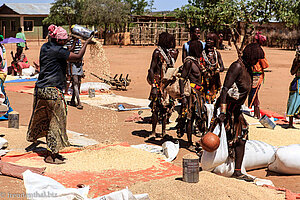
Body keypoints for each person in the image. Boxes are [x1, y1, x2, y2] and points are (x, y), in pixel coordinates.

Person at [26, 24, 93, 164]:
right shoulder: (58, 51)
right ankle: (51, 155)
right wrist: (86, 41)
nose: (66, 41)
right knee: (55, 122)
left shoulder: (46, 47)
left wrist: (73, 41)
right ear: (59, 41)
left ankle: (51, 151)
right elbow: (77, 57)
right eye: (64, 40)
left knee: (46, 120)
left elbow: (65, 51)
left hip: (40, 90)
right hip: (53, 92)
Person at [214, 43, 265, 181]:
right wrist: (223, 112)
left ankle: (237, 171)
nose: (257, 62)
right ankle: (213, 166)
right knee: (221, 138)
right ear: (250, 56)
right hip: (227, 109)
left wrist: (255, 101)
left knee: (241, 137)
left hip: (236, 110)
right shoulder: (237, 67)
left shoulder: (248, 68)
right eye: (256, 58)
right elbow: (224, 89)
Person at [147, 32, 178, 137]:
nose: (172, 43)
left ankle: (164, 131)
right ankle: (153, 132)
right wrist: (154, 87)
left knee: (166, 108)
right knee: (156, 108)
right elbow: (151, 69)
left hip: (167, 84)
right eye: (171, 41)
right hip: (158, 83)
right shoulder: (157, 52)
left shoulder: (169, 53)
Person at [179, 40, 207, 148]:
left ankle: (201, 141)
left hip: (199, 93)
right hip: (191, 94)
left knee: (201, 117)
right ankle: (189, 142)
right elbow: (182, 79)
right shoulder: (189, 62)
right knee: (190, 118)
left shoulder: (197, 62)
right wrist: (183, 96)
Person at [248, 31, 269, 118]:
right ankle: (255, 112)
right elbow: (265, 65)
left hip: (250, 73)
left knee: (253, 93)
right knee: (254, 94)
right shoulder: (259, 51)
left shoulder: (249, 48)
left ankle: (255, 112)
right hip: (257, 74)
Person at [201, 33, 224, 104]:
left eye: (211, 39)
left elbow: (222, 67)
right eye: (207, 39)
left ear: (215, 41)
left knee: (212, 98)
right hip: (204, 80)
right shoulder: (202, 53)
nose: (208, 41)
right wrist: (205, 71)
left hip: (214, 80)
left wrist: (217, 70)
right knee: (204, 97)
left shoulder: (217, 54)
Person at [66, 36, 84, 109]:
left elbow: (80, 50)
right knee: (75, 82)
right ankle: (79, 102)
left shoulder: (79, 41)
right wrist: (74, 42)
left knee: (78, 82)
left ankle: (73, 100)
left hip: (79, 64)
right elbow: (69, 50)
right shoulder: (69, 41)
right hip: (72, 64)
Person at [286, 40, 300, 128]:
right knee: (292, 102)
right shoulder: (296, 61)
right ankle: (290, 123)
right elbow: (292, 72)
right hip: (297, 83)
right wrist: (298, 65)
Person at [0, 35, 13, 120]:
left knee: (1, 94)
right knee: (2, 92)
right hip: (2, 72)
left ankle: (8, 112)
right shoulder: (2, 48)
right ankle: (9, 112)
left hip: (0, 73)